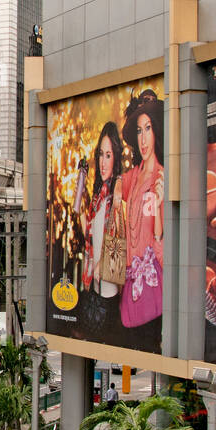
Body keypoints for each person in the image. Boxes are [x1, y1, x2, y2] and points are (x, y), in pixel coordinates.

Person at [115, 90, 165, 330]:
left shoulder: (161, 176)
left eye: (148, 129)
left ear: (157, 131)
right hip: (130, 282)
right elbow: (116, 183)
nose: (143, 139)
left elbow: (161, 239)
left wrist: (160, 205)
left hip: (154, 284)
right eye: (139, 131)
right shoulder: (134, 176)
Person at [78, 122, 124, 332]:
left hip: (109, 282)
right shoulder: (98, 196)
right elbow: (88, 234)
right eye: (100, 155)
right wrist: (81, 200)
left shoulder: (116, 193)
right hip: (96, 280)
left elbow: (117, 239)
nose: (103, 162)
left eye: (108, 155)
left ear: (116, 158)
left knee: (106, 331)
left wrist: (102, 264)